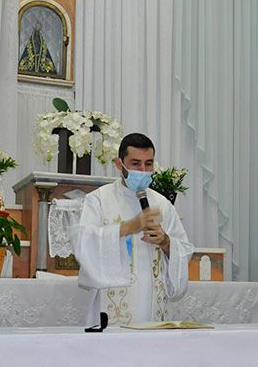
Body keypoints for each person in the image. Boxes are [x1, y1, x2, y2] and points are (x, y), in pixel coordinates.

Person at [71, 133, 194, 326]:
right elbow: (84, 244)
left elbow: (184, 250)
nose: (143, 171)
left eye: (148, 164)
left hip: (153, 304)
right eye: (135, 164)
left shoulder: (162, 204)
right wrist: (129, 227)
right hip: (112, 306)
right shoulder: (98, 200)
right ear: (119, 164)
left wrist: (166, 242)